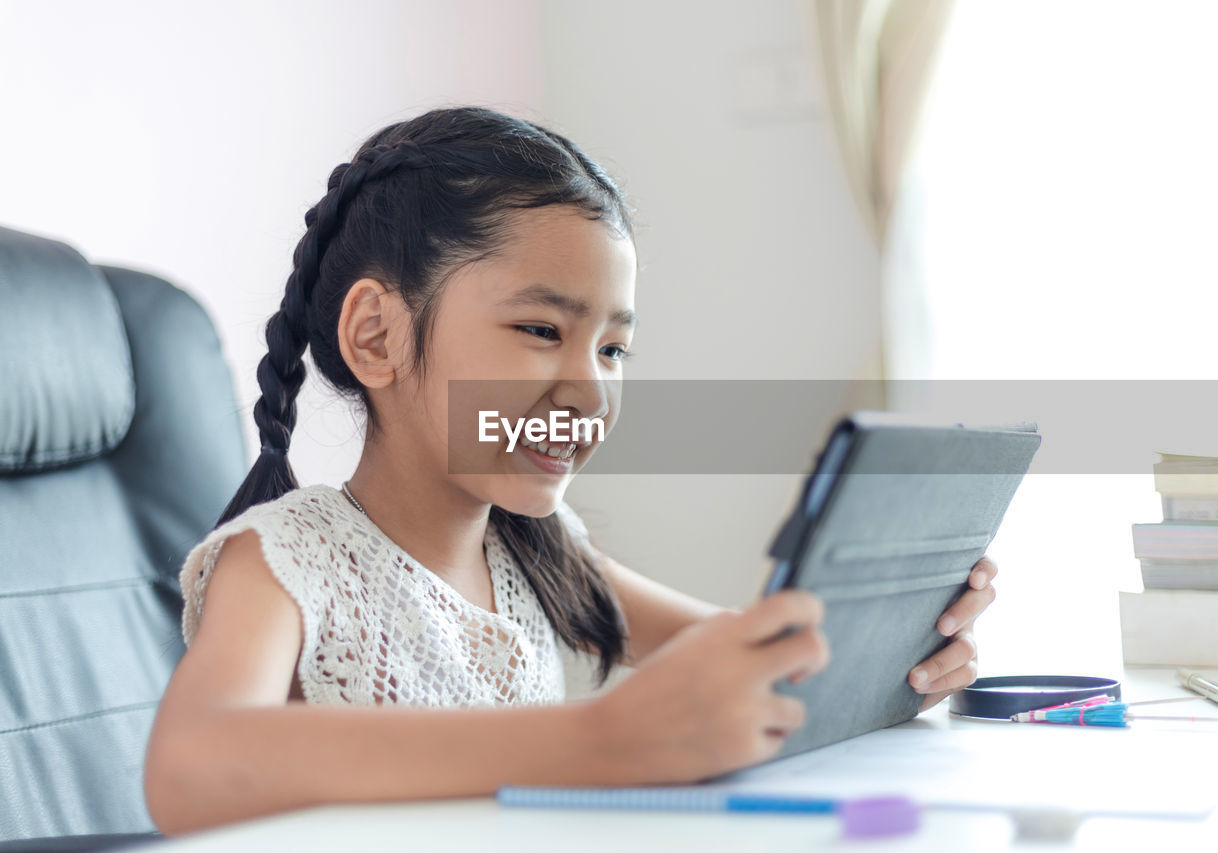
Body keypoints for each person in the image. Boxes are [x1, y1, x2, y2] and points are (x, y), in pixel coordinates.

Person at [142, 106, 996, 836]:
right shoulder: (286, 559)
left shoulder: (543, 552)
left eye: (615, 347)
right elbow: (190, 767)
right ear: (378, 336)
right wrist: (595, 738)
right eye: (542, 330)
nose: (590, 387)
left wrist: (902, 649)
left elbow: (763, 666)